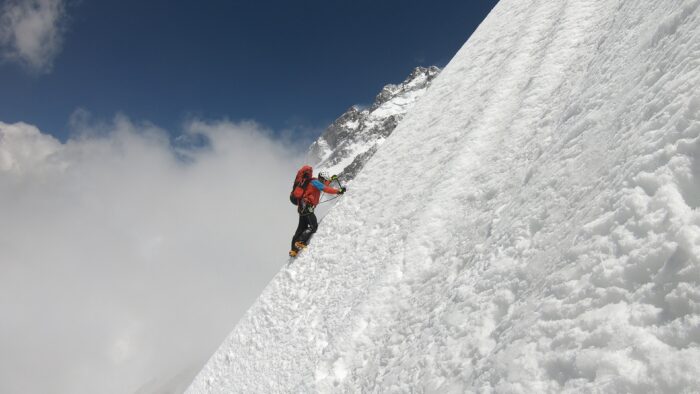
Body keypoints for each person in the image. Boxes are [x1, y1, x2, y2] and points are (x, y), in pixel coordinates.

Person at [290, 170, 345, 257]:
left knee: (301, 228)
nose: (324, 181)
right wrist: (338, 191)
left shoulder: (314, 182)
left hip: (303, 207)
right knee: (313, 226)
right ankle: (300, 242)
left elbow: (323, 185)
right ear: (321, 178)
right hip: (307, 208)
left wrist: (330, 180)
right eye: (324, 180)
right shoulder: (315, 182)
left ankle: (293, 250)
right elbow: (325, 188)